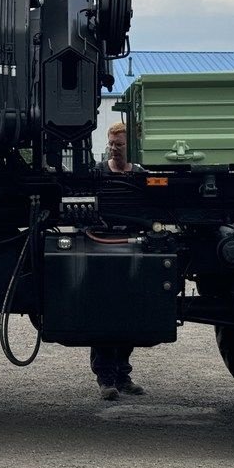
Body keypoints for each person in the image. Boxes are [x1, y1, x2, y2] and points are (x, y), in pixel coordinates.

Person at [90, 121, 147, 401]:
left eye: (119, 144)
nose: (114, 149)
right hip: (105, 249)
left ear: (130, 145)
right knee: (105, 314)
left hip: (131, 249)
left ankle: (123, 375)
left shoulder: (139, 175)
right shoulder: (99, 173)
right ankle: (106, 378)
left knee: (129, 315)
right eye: (111, 144)